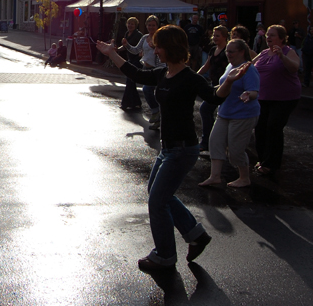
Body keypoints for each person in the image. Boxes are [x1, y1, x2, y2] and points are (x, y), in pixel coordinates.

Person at [96, 25, 249, 271]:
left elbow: (214, 97)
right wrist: (110, 53)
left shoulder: (191, 78)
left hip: (183, 149)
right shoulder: (161, 74)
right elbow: (135, 73)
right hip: (168, 149)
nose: (155, 50)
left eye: (159, 45)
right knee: (158, 194)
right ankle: (196, 234)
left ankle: (165, 255)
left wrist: (229, 81)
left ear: (171, 48)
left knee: (157, 202)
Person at [199, 39, 259, 188]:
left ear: (241, 52)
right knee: (215, 142)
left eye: (231, 51)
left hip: (243, 114)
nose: (228, 54)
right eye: (227, 51)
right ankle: (215, 176)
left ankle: (244, 177)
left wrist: (247, 94)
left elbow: (254, 92)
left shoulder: (248, 69)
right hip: (224, 111)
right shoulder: (230, 66)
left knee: (236, 149)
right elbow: (225, 83)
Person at [252, 25, 301, 176]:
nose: (268, 38)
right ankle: (262, 159)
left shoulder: (288, 51)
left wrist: (282, 56)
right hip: (264, 97)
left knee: (273, 126)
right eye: (267, 35)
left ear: (281, 38)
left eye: (272, 35)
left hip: (285, 98)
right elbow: (249, 66)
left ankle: (271, 164)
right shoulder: (264, 53)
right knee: (260, 127)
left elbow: (294, 68)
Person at [122, 15, 163, 128]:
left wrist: (156, 47)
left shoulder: (160, 37)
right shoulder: (145, 37)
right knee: (148, 91)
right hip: (146, 68)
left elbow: (165, 51)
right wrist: (127, 45)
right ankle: (157, 115)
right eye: (149, 25)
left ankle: (157, 112)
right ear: (146, 26)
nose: (151, 27)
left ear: (157, 26)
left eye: (153, 25)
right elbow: (136, 50)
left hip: (158, 69)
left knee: (151, 91)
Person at [197, 26, 229, 152]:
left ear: (225, 37)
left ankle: (212, 142)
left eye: (218, 35)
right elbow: (206, 66)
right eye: (214, 35)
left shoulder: (228, 51)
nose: (215, 38)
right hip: (214, 85)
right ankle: (208, 141)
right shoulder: (213, 50)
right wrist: (194, 75)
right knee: (207, 110)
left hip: (226, 86)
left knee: (210, 110)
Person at [119, 17, 143, 110]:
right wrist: (117, 49)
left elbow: (140, 48)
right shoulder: (127, 34)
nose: (130, 26)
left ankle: (125, 103)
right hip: (130, 59)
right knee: (131, 82)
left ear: (135, 25)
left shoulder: (138, 35)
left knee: (130, 81)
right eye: (129, 24)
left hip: (136, 60)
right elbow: (126, 46)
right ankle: (136, 102)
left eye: (132, 24)